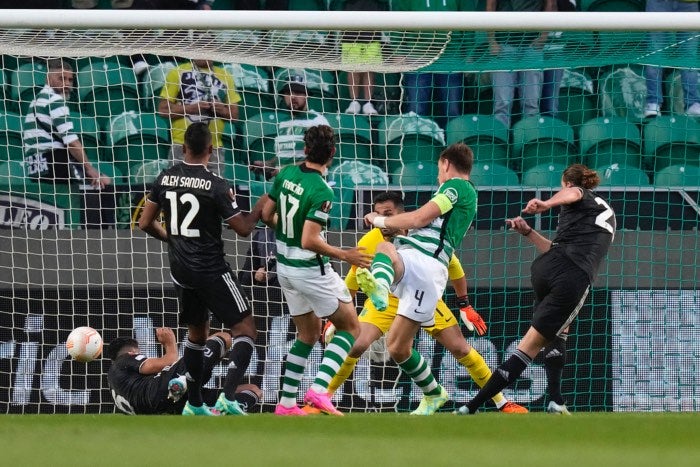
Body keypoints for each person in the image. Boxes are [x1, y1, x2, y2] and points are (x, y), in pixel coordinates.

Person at [325, 191, 528, 414]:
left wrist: (465, 305)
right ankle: (324, 398)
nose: (382, 221)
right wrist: (338, 317)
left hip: (422, 293)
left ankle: (501, 401)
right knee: (356, 346)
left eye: (388, 214)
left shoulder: (426, 236)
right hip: (385, 300)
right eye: (378, 214)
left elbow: (456, 271)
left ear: (401, 214)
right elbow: (354, 278)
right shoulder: (370, 241)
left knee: (460, 348)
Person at [457, 163, 616, 415]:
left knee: (560, 332)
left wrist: (529, 231)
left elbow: (571, 196)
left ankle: (556, 400)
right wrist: (546, 204)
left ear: (566, 182)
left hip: (547, 267)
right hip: (573, 276)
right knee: (529, 347)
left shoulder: (578, 196)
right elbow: (573, 193)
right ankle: (471, 406)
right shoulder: (597, 205)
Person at [138, 122, 266, 416]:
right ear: (211, 149)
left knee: (197, 336)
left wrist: (172, 239)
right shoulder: (217, 185)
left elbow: (145, 223)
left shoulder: (165, 178)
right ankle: (228, 396)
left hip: (181, 270)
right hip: (211, 269)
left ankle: (194, 404)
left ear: (183, 148)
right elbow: (244, 229)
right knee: (245, 328)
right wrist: (261, 205)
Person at [354, 142, 476, 416]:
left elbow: (420, 218)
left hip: (427, 267)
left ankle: (381, 289)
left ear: (445, 164)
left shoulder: (456, 187)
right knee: (396, 347)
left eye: (438, 168)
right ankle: (434, 393)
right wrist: (388, 226)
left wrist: (380, 221)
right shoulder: (458, 193)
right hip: (414, 259)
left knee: (399, 346)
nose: (437, 175)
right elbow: (415, 226)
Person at [260, 124, 373, 416]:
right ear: (332, 153)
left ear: (305, 149)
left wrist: (289, 230)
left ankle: (285, 404)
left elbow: (265, 215)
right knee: (351, 326)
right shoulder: (322, 190)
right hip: (310, 270)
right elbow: (310, 240)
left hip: (285, 269)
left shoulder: (285, 173)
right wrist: (344, 254)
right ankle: (320, 389)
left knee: (308, 335)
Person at [22, 58, 115, 229]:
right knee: (102, 183)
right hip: (53, 161)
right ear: (48, 78)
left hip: (34, 164)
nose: (66, 84)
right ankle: (95, 237)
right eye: (61, 78)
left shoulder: (36, 100)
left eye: (70, 79)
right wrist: (90, 169)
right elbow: (71, 142)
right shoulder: (54, 101)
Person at [107, 327, 262, 415]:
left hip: (167, 407)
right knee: (224, 337)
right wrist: (169, 342)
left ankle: (217, 409)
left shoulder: (115, 384)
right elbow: (168, 361)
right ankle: (183, 381)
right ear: (133, 352)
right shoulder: (124, 359)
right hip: (161, 390)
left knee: (253, 390)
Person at [394, 0, 468, 128]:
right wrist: (398, 50)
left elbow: (469, 19)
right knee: (416, 111)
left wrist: (469, 53)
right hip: (417, 56)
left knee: (452, 111)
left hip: (452, 57)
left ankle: (452, 147)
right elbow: (396, 21)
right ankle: (417, 146)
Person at [158, 58, 240, 171]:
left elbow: (234, 115)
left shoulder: (226, 76)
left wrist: (221, 109)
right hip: (182, 145)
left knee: (213, 187)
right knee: (180, 187)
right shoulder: (177, 72)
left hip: (213, 148)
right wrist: (192, 108)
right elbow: (163, 109)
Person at [486, 0, 556, 128]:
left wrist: (543, 37)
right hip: (503, 45)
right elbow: (491, 4)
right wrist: (492, 40)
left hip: (531, 47)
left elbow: (550, 4)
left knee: (531, 105)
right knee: (502, 104)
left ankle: (529, 142)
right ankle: (501, 144)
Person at [250, 73, 330, 180]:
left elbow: (326, 160)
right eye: (288, 93)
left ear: (307, 95)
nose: (292, 97)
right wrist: (268, 164)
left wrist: (285, 169)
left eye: (298, 92)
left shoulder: (317, 121)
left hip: (309, 182)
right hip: (285, 182)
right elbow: (283, 157)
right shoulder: (283, 123)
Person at [643, 0, 700, 118]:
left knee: (689, 56)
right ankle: (653, 103)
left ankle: (692, 103)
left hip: (689, 3)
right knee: (655, 53)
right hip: (658, 3)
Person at [339, 0, 385, 116]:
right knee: (353, 69)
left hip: (372, 25)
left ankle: (368, 103)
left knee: (369, 70)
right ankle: (354, 102)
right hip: (350, 25)